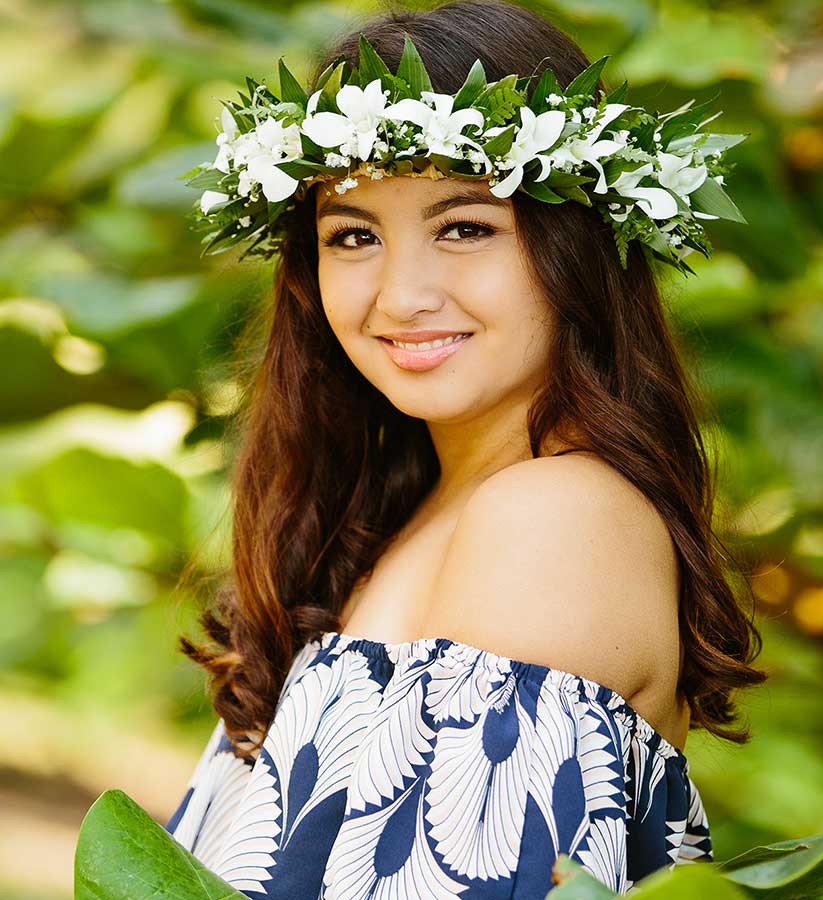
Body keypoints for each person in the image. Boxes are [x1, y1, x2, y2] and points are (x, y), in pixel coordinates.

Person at [164, 1, 768, 896]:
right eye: (354, 236)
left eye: (465, 227)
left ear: (579, 249)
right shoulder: (397, 518)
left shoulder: (557, 518)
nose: (401, 296)